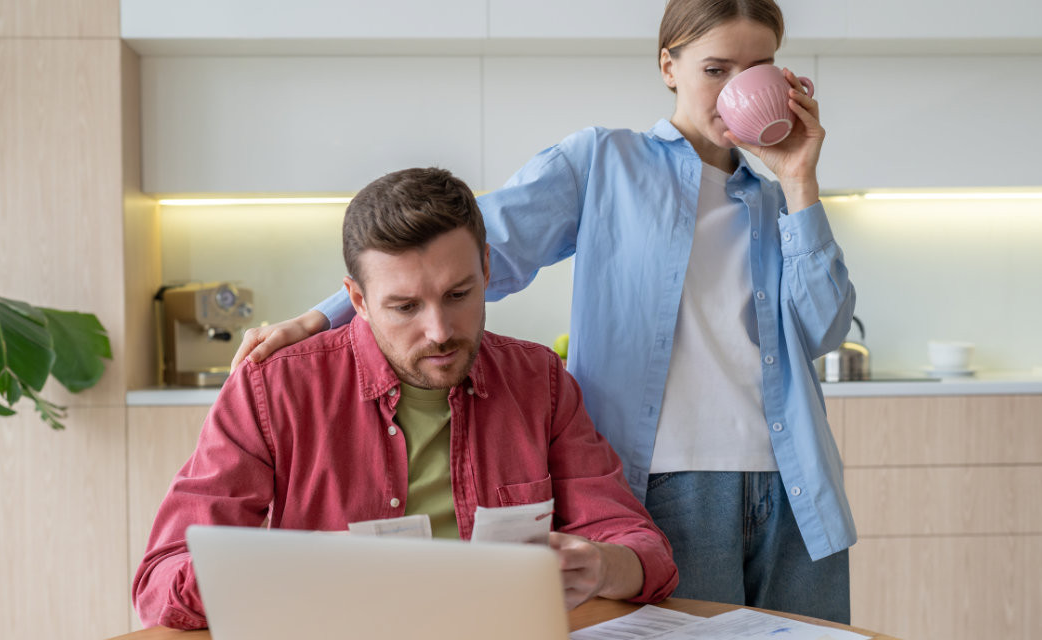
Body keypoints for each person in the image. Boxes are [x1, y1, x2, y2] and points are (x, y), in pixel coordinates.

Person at [228, 0, 856, 624]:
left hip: (795, 479)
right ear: (669, 66)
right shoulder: (603, 163)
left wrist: (801, 183)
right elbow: (477, 251)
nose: (735, 91)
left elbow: (822, 330)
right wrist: (322, 318)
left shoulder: (775, 197)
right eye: (716, 70)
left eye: (758, 70)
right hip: (671, 484)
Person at [133, 167, 679, 630]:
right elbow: (158, 579)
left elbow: (642, 548)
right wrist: (281, 571)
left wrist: (604, 565)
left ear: (487, 269)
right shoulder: (271, 389)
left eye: (459, 295)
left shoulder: (540, 380)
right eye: (404, 307)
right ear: (357, 300)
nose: (440, 331)